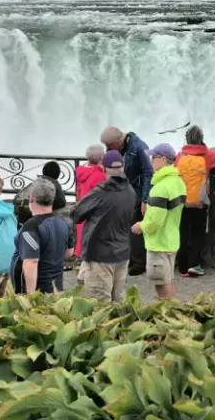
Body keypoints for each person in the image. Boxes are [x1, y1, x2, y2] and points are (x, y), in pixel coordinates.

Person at [72, 150, 137, 300]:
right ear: (123, 167)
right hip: (122, 252)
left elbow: (76, 214)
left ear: (104, 168)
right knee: (118, 301)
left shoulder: (101, 192)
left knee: (99, 303)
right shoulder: (130, 191)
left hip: (100, 254)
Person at [132, 144, 187, 300]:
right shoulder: (178, 182)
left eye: (153, 158)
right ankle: (176, 313)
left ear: (163, 159)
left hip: (159, 243)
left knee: (162, 286)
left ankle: (169, 316)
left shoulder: (160, 188)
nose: (151, 161)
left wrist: (140, 226)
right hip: (172, 239)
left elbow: (155, 221)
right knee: (168, 281)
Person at [175, 125, 215, 277]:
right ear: (201, 139)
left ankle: (182, 267)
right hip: (200, 202)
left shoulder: (180, 156)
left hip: (182, 201)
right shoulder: (207, 155)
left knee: (183, 232)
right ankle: (194, 265)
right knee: (198, 233)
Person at [100, 126, 153, 276]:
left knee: (134, 228)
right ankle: (129, 258)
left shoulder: (139, 147)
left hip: (135, 194)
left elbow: (148, 173)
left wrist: (145, 199)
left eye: (110, 146)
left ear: (118, 140)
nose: (109, 149)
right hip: (123, 192)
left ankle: (139, 263)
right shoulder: (118, 147)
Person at [13, 178, 74, 294]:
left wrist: (31, 296)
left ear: (31, 199)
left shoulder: (31, 227)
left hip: (37, 292)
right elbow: (69, 253)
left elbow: (31, 261)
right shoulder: (64, 223)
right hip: (56, 287)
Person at [74, 145, 108, 258]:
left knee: (82, 236)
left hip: (83, 208)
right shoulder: (99, 175)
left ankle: (81, 260)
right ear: (102, 158)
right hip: (94, 212)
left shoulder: (81, 172)